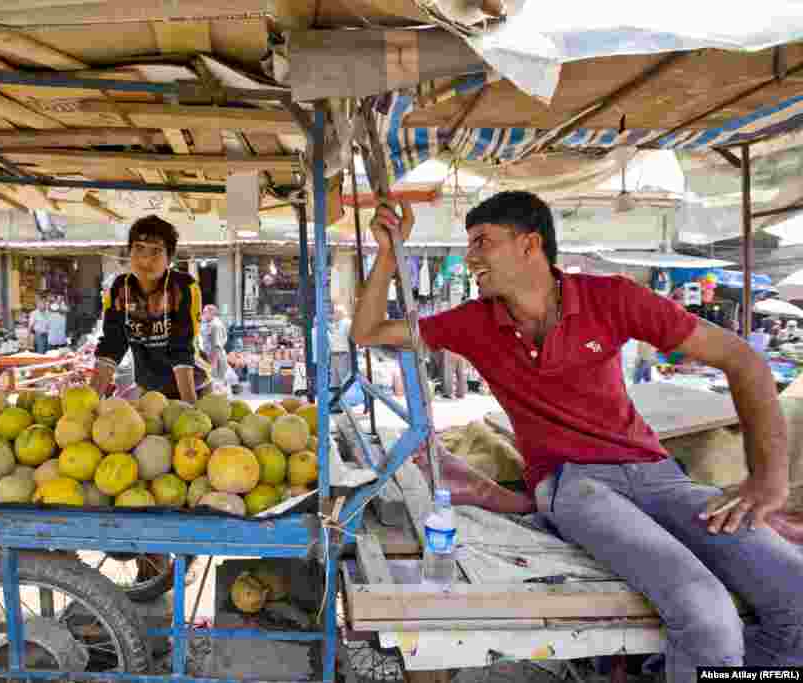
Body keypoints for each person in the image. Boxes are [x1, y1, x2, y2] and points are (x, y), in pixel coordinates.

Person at [351, 191, 801, 681]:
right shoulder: (472, 323)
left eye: (482, 241)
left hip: (658, 475)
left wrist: (769, 477)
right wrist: (389, 255)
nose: (470, 257)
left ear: (529, 245)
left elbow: (742, 359)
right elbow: (368, 330)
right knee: (705, 610)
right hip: (572, 484)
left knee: (794, 594)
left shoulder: (613, 298)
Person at [93, 215, 211, 402]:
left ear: (169, 258)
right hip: (150, 389)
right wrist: (90, 402)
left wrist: (190, 407)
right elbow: (112, 346)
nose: (146, 258)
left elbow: (181, 348)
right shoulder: (119, 289)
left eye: (156, 251)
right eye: (139, 248)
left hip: (193, 386)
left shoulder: (183, 287)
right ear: (129, 251)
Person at [201, 304, 229, 391]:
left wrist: (213, 365)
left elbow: (217, 347)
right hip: (212, 358)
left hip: (216, 360)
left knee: (217, 386)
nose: (203, 314)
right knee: (215, 385)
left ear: (211, 313)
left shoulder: (215, 326)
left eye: (205, 312)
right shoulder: (209, 323)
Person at [329, 305, 352, 388]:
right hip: (334, 354)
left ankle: (346, 397)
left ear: (340, 313)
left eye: (335, 312)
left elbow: (351, 338)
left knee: (344, 377)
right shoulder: (335, 324)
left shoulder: (347, 323)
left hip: (343, 354)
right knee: (335, 380)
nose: (333, 314)